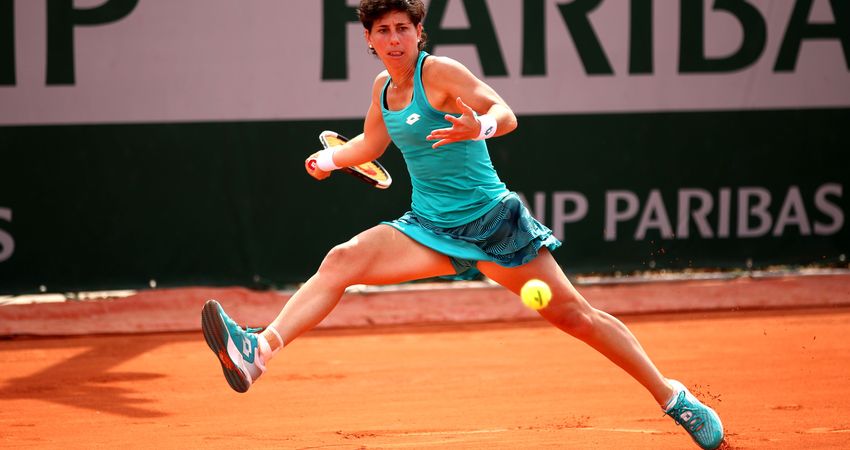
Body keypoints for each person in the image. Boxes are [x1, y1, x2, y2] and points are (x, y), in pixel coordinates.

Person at [201, 1, 724, 448]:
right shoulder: (383, 89)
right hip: (428, 228)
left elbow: (505, 111)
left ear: (418, 32)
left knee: (576, 318)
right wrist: (331, 162)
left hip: (495, 226)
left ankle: (672, 397)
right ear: (369, 38)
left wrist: (482, 125)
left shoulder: (441, 73)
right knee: (342, 260)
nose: (394, 38)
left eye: (402, 28)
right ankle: (258, 350)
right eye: (382, 30)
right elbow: (369, 146)